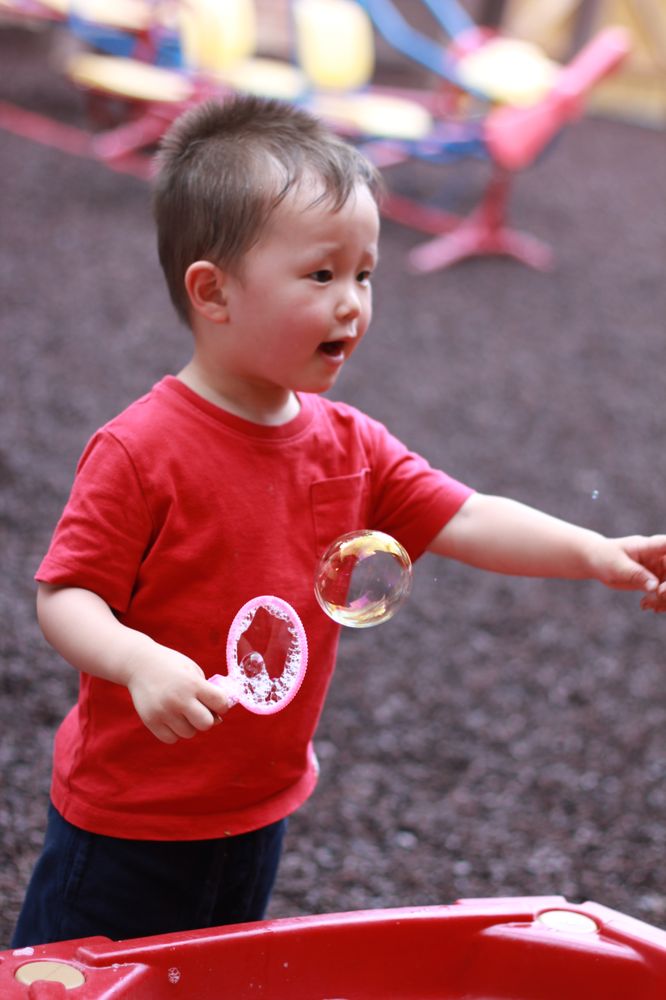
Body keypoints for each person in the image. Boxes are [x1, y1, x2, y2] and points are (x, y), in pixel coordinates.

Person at [12, 94, 665, 948]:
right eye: (321, 275)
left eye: (364, 274)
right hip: (129, 818)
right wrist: (138, 662)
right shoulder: (141, 451)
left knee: (213, 969)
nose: (352, 301)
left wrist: (595, 554)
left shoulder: (349, 443)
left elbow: (466, 515)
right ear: (213, 292)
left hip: (257, 806)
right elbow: (65, 596)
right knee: (81, 971)